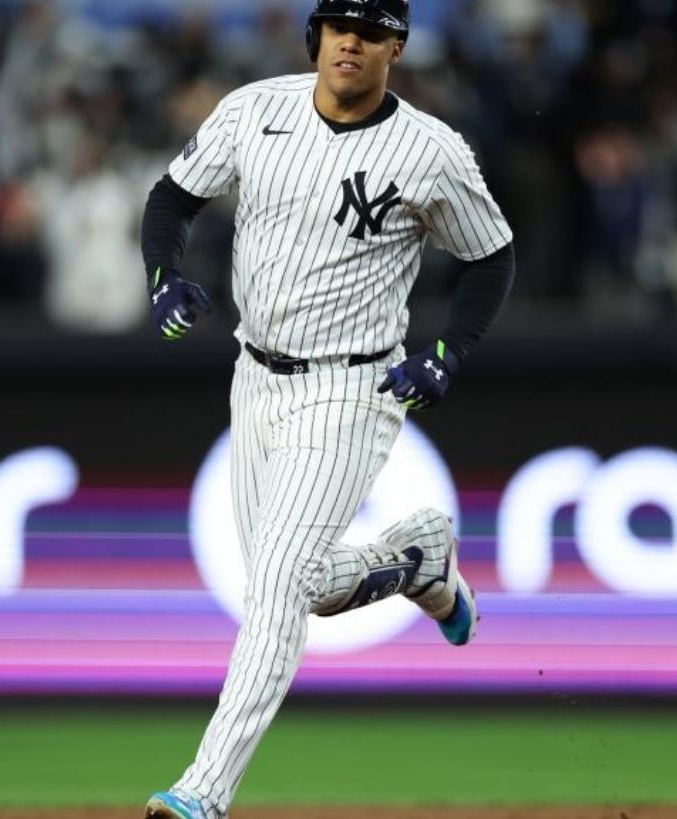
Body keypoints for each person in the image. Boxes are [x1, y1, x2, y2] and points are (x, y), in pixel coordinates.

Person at [138, 2, 515, 817]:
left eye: (370, 30)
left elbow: (492, 256)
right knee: (294, 584)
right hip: (254, 374)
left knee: (277, 588)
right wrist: (163, 275)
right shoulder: (255, 109)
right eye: (339, 25)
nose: (351, 41)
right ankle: (417, 559)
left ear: (395, 46)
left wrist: (449, 351)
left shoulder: (430, 149)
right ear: (316, 35)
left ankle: (203, 792)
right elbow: (171, 197)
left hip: (350, 387)